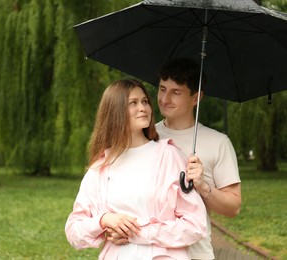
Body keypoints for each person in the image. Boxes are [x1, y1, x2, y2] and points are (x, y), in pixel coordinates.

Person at [65, 79, 207, 259]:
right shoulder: (101, 167)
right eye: (133, 103)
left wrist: (137, 233)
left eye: (145, 101)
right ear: (115, 111)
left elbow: (196, 225)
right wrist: (103, 220)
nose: (143, 108)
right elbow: (74, 231)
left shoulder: (169, 156)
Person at [155, 58, 242, 259]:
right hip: (150, 251)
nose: (164, 98)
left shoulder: (218, 142)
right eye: (162, 89)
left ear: (196, 98)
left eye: (175, 92)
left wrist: (203, 187)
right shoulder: (144, 136)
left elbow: (233, 208)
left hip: (197, 254)